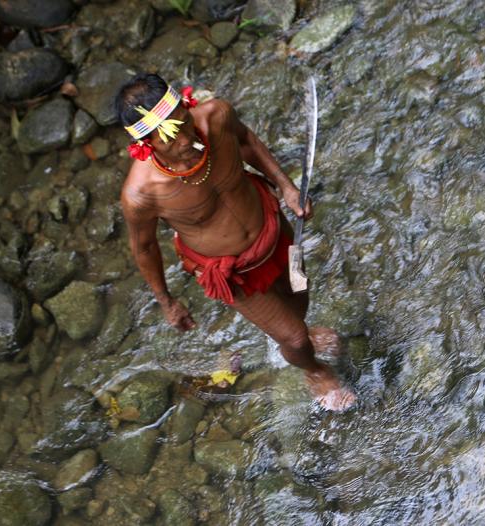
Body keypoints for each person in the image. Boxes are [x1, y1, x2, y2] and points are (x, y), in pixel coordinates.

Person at [114, 73, 356, 411]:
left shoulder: (217, 116)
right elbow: (144, 248)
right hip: (234, 273)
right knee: (295, 338)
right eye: (168, 138)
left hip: (278, 232)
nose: (185, 140)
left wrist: (286, 187)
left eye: (184, 124)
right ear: (146, 145)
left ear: (188, 106)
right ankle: (313, 369)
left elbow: (247, 142)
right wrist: (167, 301)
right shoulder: (142, 194)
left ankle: (302, 335)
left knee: (301, 296)